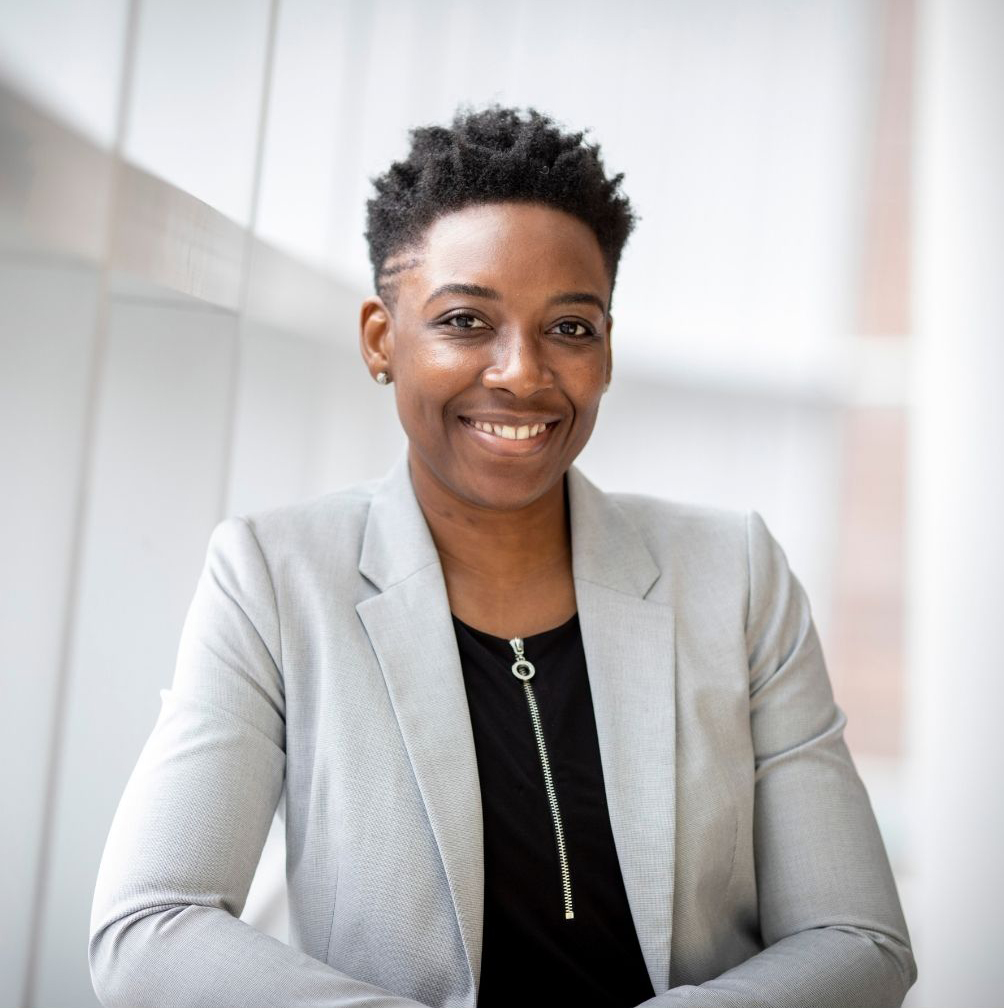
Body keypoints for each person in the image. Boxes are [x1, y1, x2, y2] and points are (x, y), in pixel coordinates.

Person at [89, 104, 917, 1008]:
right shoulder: (274, 576)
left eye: (569, 327)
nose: (522, 373)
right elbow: (151, 926)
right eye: (464, 321)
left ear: (605, 351)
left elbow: (857, 937)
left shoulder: (735, 574)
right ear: (381, 338)